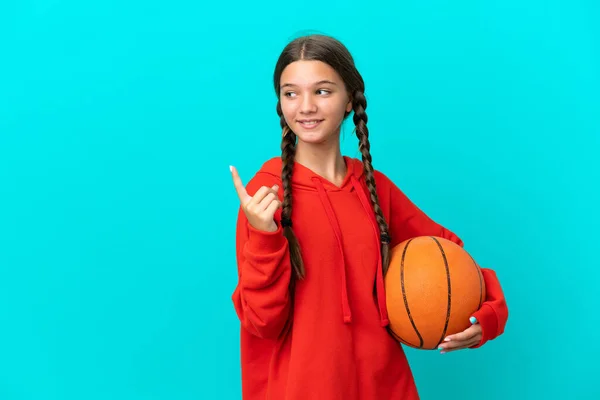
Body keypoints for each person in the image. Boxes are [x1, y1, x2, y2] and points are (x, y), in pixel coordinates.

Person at [229, 34, 508, 400]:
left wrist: (487, 315)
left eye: (323, 91)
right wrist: (265, 236)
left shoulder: (373, 187)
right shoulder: (266, 196)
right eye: (290, 93)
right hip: (301, 389)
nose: (305, 107)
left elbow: (448, 255)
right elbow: (262, 323)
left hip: (383, 386)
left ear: (349, 101)